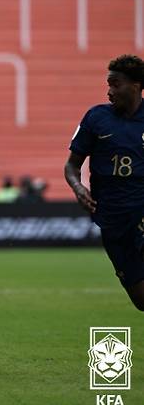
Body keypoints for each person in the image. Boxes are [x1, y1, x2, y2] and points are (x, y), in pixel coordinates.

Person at [65, 54, 144, 312]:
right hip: (111, 220)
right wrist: (78, 189)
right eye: (108, 84)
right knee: (140, 300)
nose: (109, 91)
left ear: (135, 85)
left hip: (141, 213)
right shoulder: (96, 118)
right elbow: (71, 166)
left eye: (115, 84)